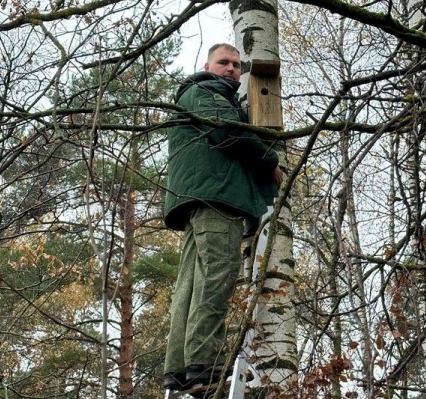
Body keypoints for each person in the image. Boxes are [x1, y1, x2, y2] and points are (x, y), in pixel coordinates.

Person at [162, 43, 282, 393]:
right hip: (216, 198)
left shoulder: (202, 95)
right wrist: (269, 161)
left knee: (191, 285)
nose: (231, 69)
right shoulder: (206, 91)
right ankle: (204, 365)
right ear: (207, 65)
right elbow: (227, 132)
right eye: (223, 62)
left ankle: (179, 369)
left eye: (236, 65)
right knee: (216, 278)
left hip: (199, 199)